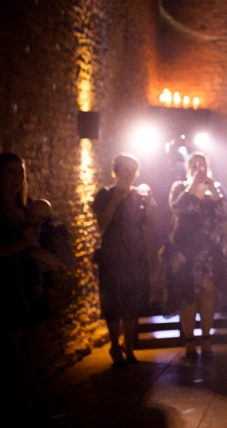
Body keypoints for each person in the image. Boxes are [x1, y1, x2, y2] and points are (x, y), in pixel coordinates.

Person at [0, 153, 50, 414]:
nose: (18, 178)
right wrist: (20, 245)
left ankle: (24, 401)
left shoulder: (27, 207)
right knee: (8, 353)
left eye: (21, 173)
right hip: (8, 286)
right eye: (12, 172)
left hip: (32, 285)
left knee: (31, 350)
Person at [92, 153, 154, 367]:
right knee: (114, 300)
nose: (128, 175)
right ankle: (114, 345)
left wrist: (150, 203)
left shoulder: (139, 195)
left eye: (132, 171)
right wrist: (116, 200)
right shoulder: (105, 194)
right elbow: (102, 223)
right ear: (116, 172)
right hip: (114, 252)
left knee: (132, 300)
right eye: (124, 170)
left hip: (135, 253)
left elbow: (151, 224)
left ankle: (128, 346)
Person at [167, 152, 227, 357]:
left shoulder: (215, 189)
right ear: (188, 168)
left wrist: (213, 189)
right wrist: (193, 186)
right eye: (195, 165)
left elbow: (225, 213)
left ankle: (206, 339)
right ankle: (189, 341)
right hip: (187, 252)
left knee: (208, 291)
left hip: (210, 251)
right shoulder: (180, 188)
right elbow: (177, 208)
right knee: (188, 294)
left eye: (202, 165)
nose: (199, 169)